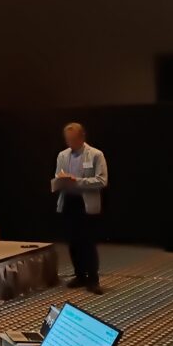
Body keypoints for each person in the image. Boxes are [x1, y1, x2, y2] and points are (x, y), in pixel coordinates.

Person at [53, 122, 108, 294]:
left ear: (82, 137)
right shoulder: (62, 155)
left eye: (73, 139)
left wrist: (77, 181)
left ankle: (93, 279)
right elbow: (57, 175)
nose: (70, 143)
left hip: (85, 204)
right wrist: (60, 181)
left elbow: (102, 180)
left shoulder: (96, 154)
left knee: (88, 242)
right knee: (73, 241)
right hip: (69, 202)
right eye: (67, 139)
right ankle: (80, 275)